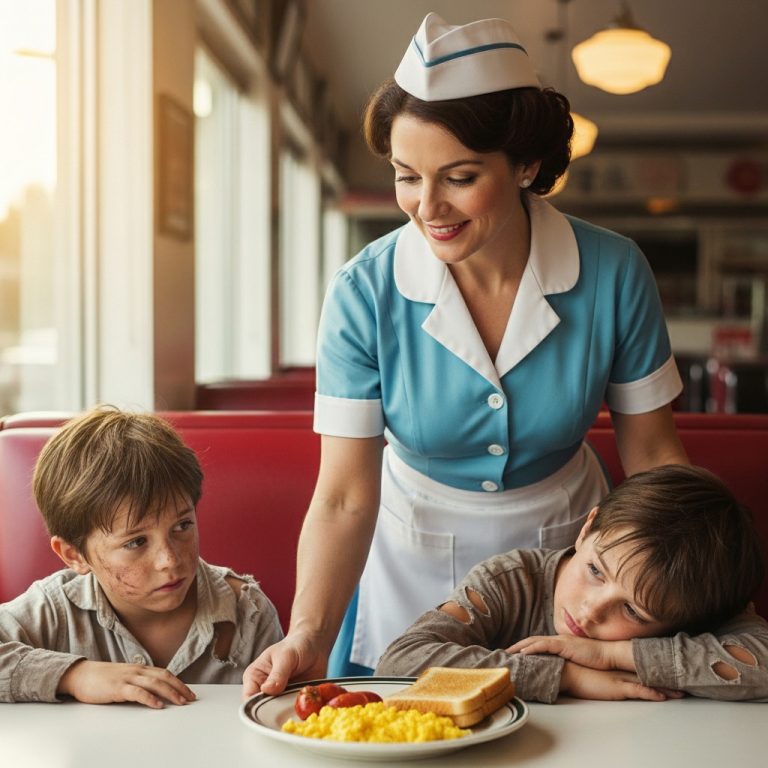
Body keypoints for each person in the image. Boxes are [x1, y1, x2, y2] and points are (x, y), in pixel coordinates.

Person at [244, 12, 688, 694]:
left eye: (457, 176)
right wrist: (308, 632)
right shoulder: (364, 290)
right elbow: (341, 496)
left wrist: (701, 600)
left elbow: (655, 458)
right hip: (409, 567)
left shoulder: (614, 272)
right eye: (406, 176)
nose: (427, 207)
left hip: (567, 566)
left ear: (526, 165)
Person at [377, 465, 768, 702]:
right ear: (587, 528)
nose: (591, 610)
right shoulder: (511, 582)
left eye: (633, 610)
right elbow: (400, 663)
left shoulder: (696, 597)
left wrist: (611, 656)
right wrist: (567, 676)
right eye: (596, 571)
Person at [0, 406, 282, 707]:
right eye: (136, 542)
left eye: (182, 526)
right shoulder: (53, 611)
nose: (169, 561)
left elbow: (287, 716)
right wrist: (75, 675)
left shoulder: (247, 613)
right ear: (74, 555)